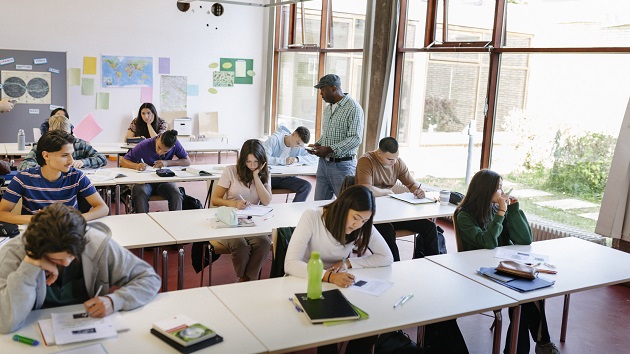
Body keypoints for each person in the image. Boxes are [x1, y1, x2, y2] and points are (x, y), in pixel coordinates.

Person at [0, 203, 161, 334]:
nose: (66, 264)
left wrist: (115, 300)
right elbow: (5, 322)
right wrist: (29, 266)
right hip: (34, 332)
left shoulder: (95, 243)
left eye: (72, 255)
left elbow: (149, 278)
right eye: (56, 259)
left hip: (91, 328)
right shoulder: (13, 254)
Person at [455, 169, 560, 354]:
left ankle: (532, 346)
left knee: (531, 294)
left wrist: (514, 209)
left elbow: (525, 239)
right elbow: (487, 242)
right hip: (480, 272)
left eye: (502, 187)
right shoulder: (465, 215)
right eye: (498, 188)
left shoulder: (497, 208)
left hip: (503, 267)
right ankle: (542, 344)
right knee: (526, 299)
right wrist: (502, 212)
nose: (502, 192)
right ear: (485, 191)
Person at [285, 185, 393, 353]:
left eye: (364, 221)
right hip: (306, 280)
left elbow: (386, 257)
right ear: (343, 207)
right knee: (329, 332)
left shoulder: (361, 225)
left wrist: (348, 263)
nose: (358, 225)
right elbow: (291, 263)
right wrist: (328, 276)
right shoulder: (313, 217)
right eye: (355, 218)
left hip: (336, 283)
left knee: (372, 323)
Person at [0, 130, 109, 225]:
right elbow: (1, 213)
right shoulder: (23, 178)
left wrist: (75, 218)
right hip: (35, 233)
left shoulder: (76, 176)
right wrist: (37, 219)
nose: (71, 160)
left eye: (71, 154)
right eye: (64, 155)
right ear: (46, 156)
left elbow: (103, 208)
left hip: (68, 232)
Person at [356, 137, 439, 261]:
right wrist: (386, 192)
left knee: (429, 227)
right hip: (371, 214)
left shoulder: (397, 162)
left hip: (391, 212)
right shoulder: (366, 161)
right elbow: (366, 188)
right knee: (387, 231)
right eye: (390, 159)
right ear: (379, 153)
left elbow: (411, 184)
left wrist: (418, 190)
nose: (393, 162)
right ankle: (395, 266)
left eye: (396, 158)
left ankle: (434, 263)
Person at [211, 139, 272, 282]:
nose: (252, 166)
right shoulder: (230, 171)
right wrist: (234, 203)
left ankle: (245, 279)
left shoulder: (264, 173)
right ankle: (245, 279)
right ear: (243, 159)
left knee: (264, 243)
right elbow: (215, 199)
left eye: (256, 162)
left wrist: (257, 177)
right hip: (229, 220)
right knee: (240, 245)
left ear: (262, 161)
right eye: (248, 162)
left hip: (250, 221)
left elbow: (266, 201)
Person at [308, 74, 364, 200]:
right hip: (323, 165)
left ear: (333, 88)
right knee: (319, 206)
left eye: (323, 89)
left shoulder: (354, 108)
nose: (321, 94)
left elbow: (355, 138)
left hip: (342, 167)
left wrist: (329, 149)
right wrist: (318, 145)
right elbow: (327, 134)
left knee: (345, 207)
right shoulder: (328, 109)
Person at [120, 130, 191, 213]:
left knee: (176, 194)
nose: (160, 152)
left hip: (164, 180)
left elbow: (187, 161)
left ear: (173, 147)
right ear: (158, 138)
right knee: (139, 191)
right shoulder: (145, 145)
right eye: (159, 147)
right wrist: (136, 166)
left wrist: (167, 162)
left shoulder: (175, 144)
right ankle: (143, 221)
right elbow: (123, 161)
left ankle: (175, 221)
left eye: (165, 151)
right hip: (145, 181)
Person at [19, 114, 107, 170]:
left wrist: (83, 162)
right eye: (57, 136)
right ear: (50, 132)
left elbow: (102, 159)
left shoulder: (79, 144)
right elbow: (23, 165)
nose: (62, 140)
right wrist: (48, 169)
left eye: (66, 135)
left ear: (71, 131)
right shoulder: (42, 146)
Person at [262, 125, 317, 202]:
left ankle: (294, 211)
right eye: (297, 143)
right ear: (293, 134)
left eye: (300, 145)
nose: (297, 146)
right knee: (259, 187)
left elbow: (315, 158)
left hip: (286, 178)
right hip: (269, 177)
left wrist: (298, 159)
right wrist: (284, 161)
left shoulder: (299, 147)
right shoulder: (274, 139)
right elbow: (263, 158)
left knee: (306, 186)